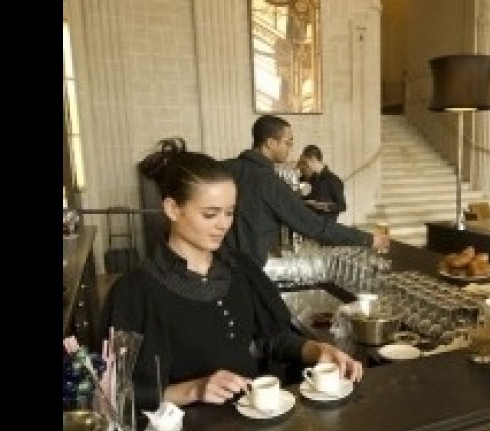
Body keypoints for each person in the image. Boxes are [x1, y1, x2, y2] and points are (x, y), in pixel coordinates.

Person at [101, 145, 364, 412]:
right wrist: (195, 389)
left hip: (253, 421)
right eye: (210, 214)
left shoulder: (240, 268)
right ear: (172, 208)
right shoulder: (135, 292)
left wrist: (317, 350)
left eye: (229, 212)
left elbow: (272, 339)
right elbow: (117, 392)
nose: (223, 224)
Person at [222, 114, 389, 267]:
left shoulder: (222, 169)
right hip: (246, 270)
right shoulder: (270, 184)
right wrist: (368, 239)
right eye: (288, 142)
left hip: (216, 264)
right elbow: (315, 226)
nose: (290, 149)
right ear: (270, 143)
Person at [298, 144, 346, 222]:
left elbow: (342, 206)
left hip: (327, 228)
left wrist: (320, 205)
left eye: (306, 162)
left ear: (313, 159)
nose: (306, 166)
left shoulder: (333, 180)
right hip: (312, 225)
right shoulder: (312, 179)